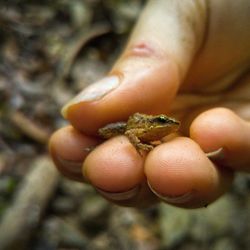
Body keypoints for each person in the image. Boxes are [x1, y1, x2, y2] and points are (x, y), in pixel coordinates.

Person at [49, 0, 250, 208]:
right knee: (105, 136)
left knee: (172, 168)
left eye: (168, 124)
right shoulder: (148, 127)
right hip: (125, 125)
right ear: (157, 121)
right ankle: (91, 142)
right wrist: (140, 145)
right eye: (163, 121)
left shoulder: (160, 133)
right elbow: (131, 133)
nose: (167, 125)